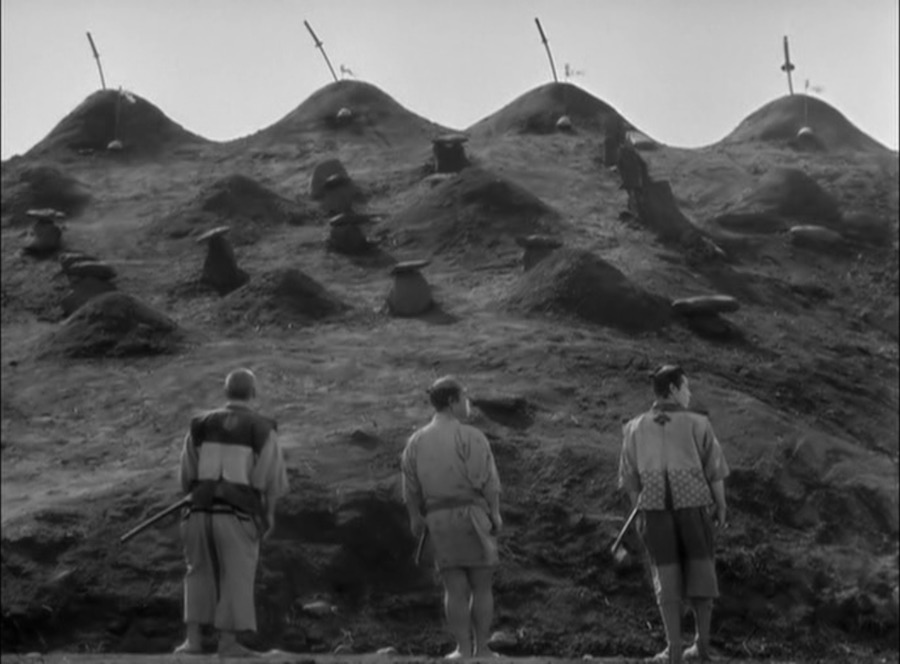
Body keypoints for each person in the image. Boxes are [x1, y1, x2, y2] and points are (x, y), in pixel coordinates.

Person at [618, 365, 730, 664]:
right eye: (686, 387)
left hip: (654, 514)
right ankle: (702, 647)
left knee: (666, 577)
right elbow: (715, 470)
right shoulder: (698, 423)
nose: (689, 393)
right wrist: (721, 505)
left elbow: (630, 481)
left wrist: (641, 510)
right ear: (672, 389)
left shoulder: (634, 428)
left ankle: (674, 649)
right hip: (693, 510)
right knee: (701, 573)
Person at [175, 368, 289, 658]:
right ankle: (227, 642)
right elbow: (270, 479)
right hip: (237, 513)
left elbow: (186, 474)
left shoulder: (199, 425)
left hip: (197, 510)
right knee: (236, 574)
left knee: (197, 571)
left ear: (226, 392)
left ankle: (193, 641)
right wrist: (269, 515)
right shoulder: (262, 428)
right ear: (253, 393)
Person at [401, 376, 503, 659]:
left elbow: (410, 487)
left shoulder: (416, 441)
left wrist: (415, 517)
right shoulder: (471, 436)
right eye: (464, 397)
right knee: (481, 586)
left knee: (454, 589)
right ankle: (482, 649)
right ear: (452, 401)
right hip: (472, 515)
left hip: (438, 520)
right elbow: (488, 481)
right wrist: (495, 513)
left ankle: (462, 649)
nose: (467, 403)